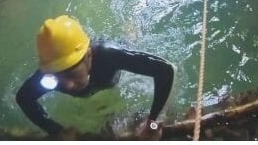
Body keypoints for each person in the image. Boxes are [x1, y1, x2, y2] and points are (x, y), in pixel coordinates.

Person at [16, 15, 174, 140]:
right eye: (57, 76)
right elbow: (23, 98)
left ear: (89, 55)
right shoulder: (46, 76)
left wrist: (152, 122)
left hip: (112, 54)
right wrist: (56, 130)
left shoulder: (109, 57)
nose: (67, 85)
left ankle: (131, 32)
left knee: (128, 43)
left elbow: (165, 70)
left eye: (72, 74)